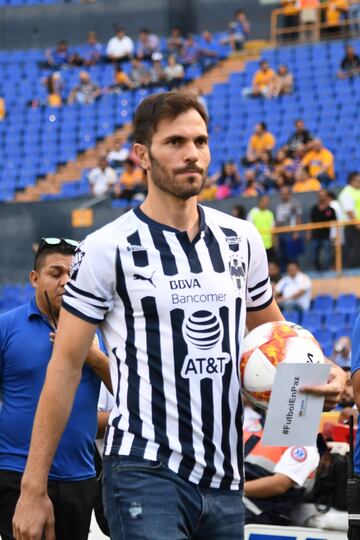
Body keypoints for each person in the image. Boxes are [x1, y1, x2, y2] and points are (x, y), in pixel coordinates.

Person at [12, 91, 345, 540]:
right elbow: (65, 366)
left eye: (201, 141)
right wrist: (33, 489)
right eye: (175, 142)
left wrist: (320, 384)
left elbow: (279, 342)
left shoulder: (242, 240)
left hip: (227, 480)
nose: (192, 154)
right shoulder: (106, 247)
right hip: (143, 471)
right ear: (142, 156)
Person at [0, 238, 111, 540]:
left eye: (73, 275)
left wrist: (95, 359)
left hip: (79, 474)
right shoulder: (6, 327)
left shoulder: (100, 332)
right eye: (55, 273)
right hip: (15, 472)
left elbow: (129, 394)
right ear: (34, 278)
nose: (65, 282)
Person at [243, 404, 319, 526]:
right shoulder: (254, 427)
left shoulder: (304, 444)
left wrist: (230, 489)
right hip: (238, 501)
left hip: (263, 512)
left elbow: (279, 484)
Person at [309, 188, 337, 271]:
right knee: (314, 255)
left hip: (326, 236)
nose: (321, 197)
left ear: (326, 197)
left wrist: (335, 234)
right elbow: (311, 222)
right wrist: (309, 233)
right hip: (316, 235)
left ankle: (327, 270)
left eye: (323, 196)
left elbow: (335, 223)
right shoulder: (314, 209)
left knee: (327, 255)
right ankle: (318, 270)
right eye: (320, 196)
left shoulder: (331, 210)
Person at [338, 171, 360, 268]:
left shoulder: (357, 191)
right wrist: (357, 224)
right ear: (352, 181)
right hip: (352, 225)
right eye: (358, 181)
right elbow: (349, 210)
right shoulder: (346, 192)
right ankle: (353, 268)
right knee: (355, 247)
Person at [247, 195, 277, 261]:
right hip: (257, 245)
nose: (266, 203)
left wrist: (274, 243)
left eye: (267, 202)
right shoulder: (253, 213)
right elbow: (248, 229)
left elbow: (273, 229)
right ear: (259, 201)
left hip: (269, 245)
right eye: (264, 201)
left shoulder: (270, 213)